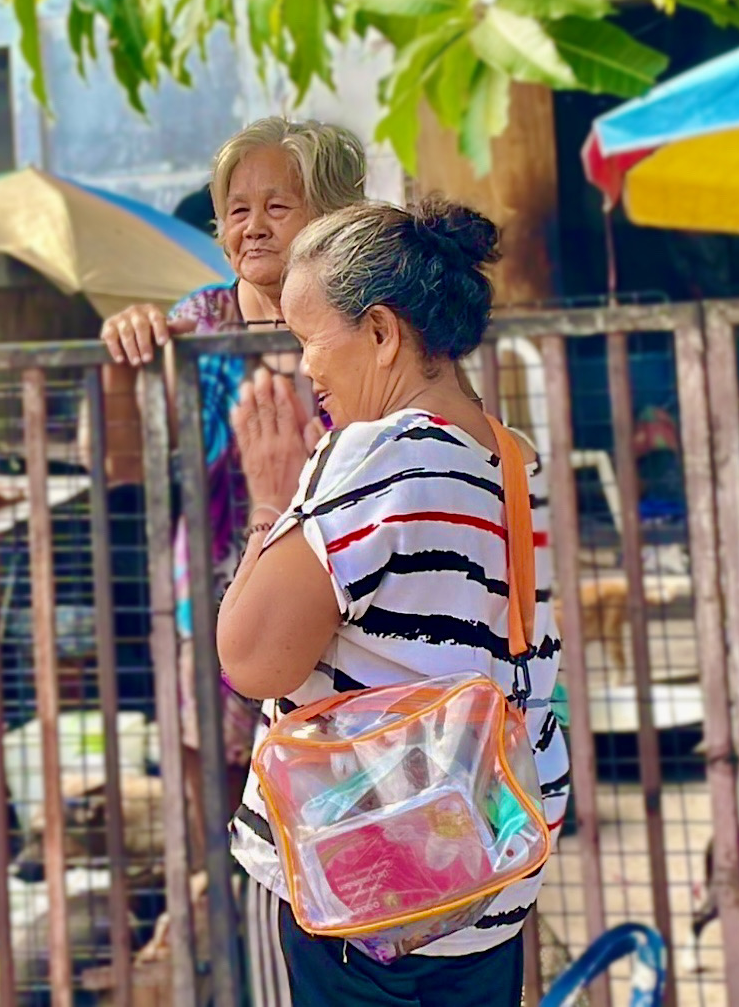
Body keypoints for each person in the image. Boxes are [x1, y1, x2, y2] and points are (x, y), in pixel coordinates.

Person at [217, 199, 570, 1006]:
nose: (306, 370)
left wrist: (271, 498)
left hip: (358, 892)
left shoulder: (374, 453)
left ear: (380, 332)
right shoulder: (515, 463)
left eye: (309, 338)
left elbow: (252, 659)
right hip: (481, 891)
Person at [92, 118, 365, 992]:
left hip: (338, 599)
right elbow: (123, 465)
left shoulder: (364, 325)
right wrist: (126, 356)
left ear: (332, 213)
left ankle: (321, 966)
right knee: (212, 804)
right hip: (211, 602)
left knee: (329, 798)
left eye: (278, 206)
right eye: (236, 208)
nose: (252, 226)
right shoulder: (195, 323)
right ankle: (236, 972)